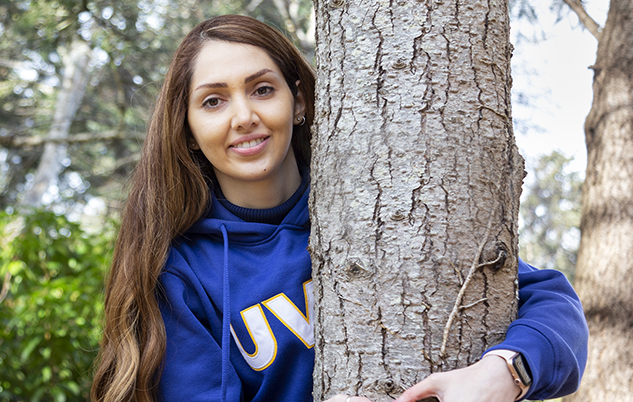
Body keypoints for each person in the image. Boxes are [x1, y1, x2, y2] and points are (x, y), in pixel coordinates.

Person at [90, 14, 587, 402]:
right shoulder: (181, 275)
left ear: (299, 101)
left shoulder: (380, 209)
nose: (244, 117)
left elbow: (551, 300)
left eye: (262, 89)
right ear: (189, 131)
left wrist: (508, 371)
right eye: (214, 101)